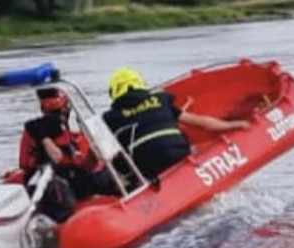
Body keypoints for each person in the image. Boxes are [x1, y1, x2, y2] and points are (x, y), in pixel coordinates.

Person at [102, 67, 250, 179]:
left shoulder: (110, 117)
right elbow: (202, 123)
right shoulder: (160, 100)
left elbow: (100, 153)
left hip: (147, 167)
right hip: (178, 155)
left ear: (113, 92)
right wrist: (235, 125)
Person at [18, 87, 115, 220]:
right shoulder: (43, 128)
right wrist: (46, 141)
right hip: (50, 183)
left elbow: (80, 163)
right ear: (64, 107)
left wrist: (92, 155)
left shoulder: (61, 131)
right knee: (62, 194)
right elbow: (34, 127)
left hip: (69, 177)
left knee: (107, 177)